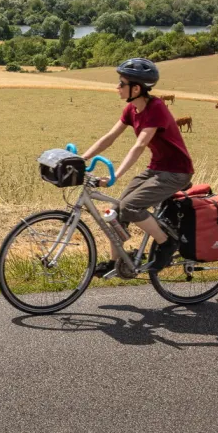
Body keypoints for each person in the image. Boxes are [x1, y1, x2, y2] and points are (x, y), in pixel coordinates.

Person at [81, 57, 193, 275]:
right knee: (116, 211)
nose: (117, 87)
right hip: (156, 169)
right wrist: (82, 158)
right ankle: (117, 263)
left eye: (121, 83)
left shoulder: (157, 108)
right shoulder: (131, 110)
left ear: (137, 87)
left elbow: (140, 145)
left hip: (176, 172)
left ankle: (166, 242)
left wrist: (115, 176)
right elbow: (109, 137)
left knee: (131, 207)